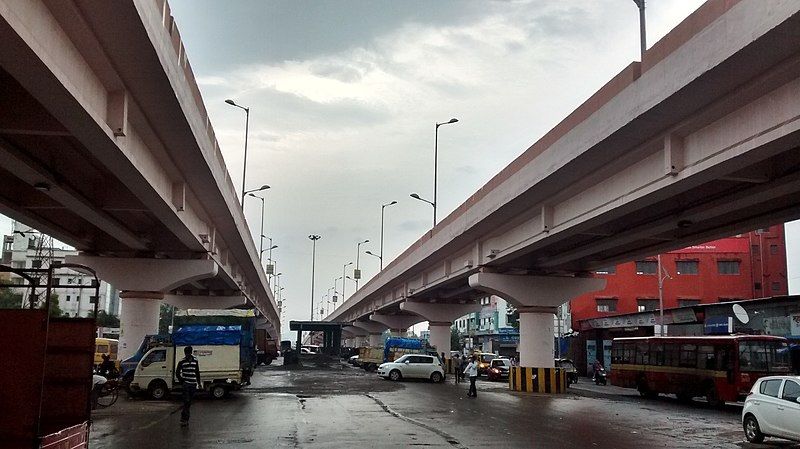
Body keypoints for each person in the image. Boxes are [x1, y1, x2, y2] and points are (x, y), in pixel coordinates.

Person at [176, 346, 201, 427]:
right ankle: (184, 419)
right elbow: (177, 373)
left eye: (188, 353)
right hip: (186, 384)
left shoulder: (195, 360)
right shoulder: (182, 361)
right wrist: (182, 381)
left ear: (190, 352)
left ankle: (185, 418)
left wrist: (199, 383)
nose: (187, 354)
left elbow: (197, 372)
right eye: (186, 353)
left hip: (193, 384)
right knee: (186, 401)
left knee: (188, 402)